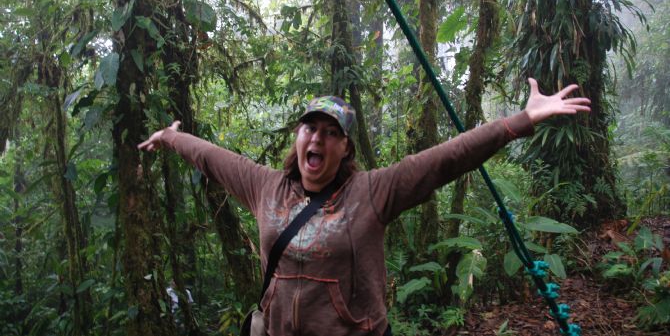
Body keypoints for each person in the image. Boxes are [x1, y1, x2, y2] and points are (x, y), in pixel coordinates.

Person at [139, 78, 590, 336]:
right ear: (297, 138)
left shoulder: (371, 192)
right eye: (309, 129)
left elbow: (447, 159)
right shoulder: (265, 187)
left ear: (345, 146)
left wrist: (521, 121)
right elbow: (211, 157)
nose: (316, 139)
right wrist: (170, 136)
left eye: (329, 132)